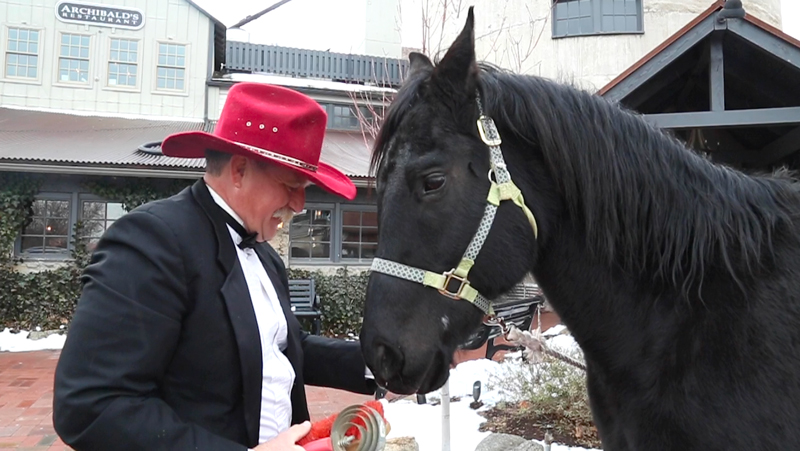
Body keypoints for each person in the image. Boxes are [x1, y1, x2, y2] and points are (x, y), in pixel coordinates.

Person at [53, 82, 376, 451]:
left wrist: (387, 362)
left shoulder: (266, 256)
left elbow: (285, 347)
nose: (300, 204)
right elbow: (92, 405)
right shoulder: (152, 240)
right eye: (290, 185)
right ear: (238, 171)